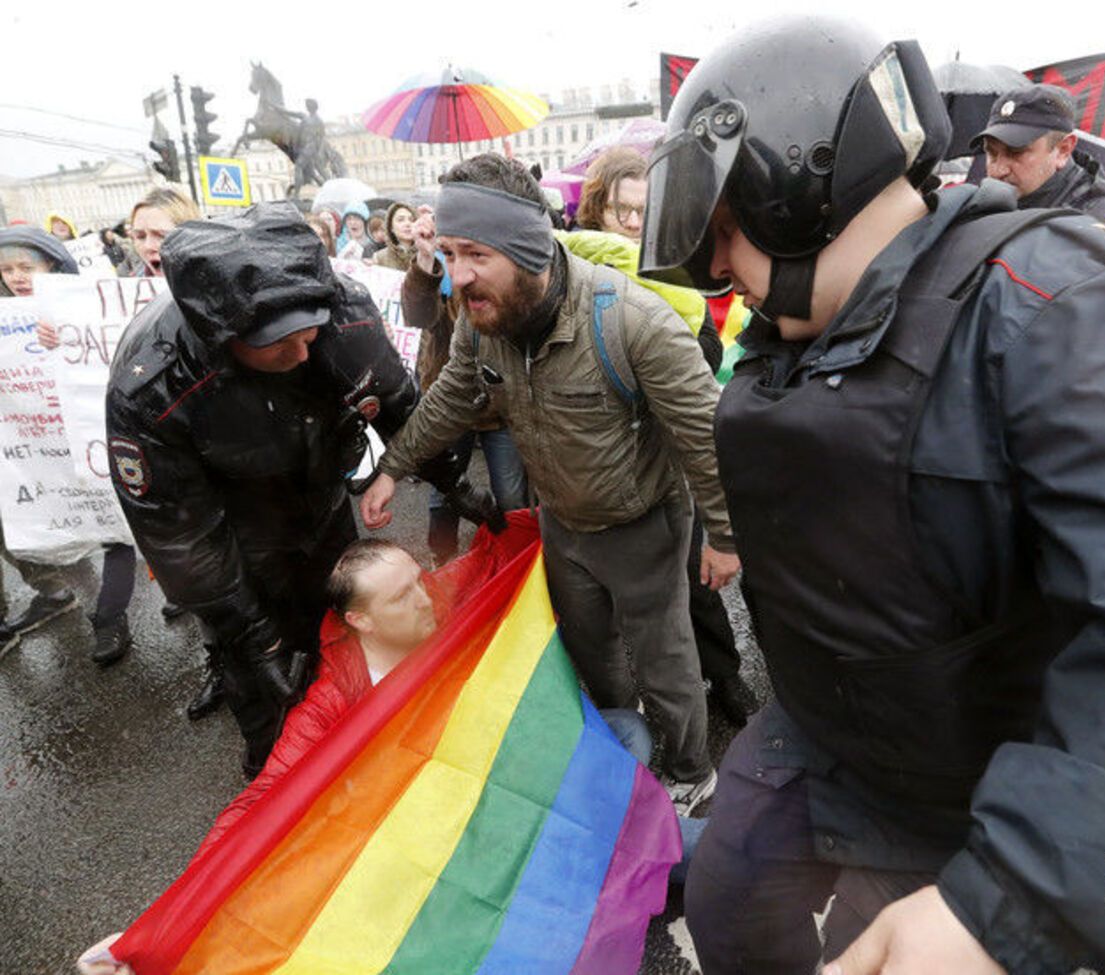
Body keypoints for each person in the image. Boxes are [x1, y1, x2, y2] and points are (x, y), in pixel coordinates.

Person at [639, 17, 1105, 975]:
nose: (715, 269)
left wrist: (1010, 910)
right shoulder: (798, 332)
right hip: (832, 730)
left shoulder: (1072, 313)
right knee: (731, 902)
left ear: (790, 190)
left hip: (991, 773)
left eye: (726, 231)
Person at [75, 527, 705, 975]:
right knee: (646, 820)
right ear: (361, 623)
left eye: (419, 581)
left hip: (508, 780)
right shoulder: (332, 699)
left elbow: (504, 560)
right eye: (400, 597)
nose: (425, 598)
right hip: (445, 834)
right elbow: (263, 800)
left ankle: (600, 856)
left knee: (625, 732)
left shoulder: (447, 607)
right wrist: (163, 923)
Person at [361, 153, 739, 814]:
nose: (459, 276)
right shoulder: (485, 326)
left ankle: (688, 771)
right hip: (564, 526)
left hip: (645, 524)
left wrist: (726, 537)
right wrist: (392, 467)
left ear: (527, 248)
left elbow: (707, 436)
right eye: (449, 253)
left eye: (476, 252)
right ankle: (626, 748)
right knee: (592, 653)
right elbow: (452, 397)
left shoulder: (633, 322)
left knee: (667, 661)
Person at [105, 202, 498, 778]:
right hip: (235, 532)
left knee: (340, 632)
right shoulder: (154, 386)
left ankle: (356, 747)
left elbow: (397, 407)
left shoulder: (347, 316)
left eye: (309, 332)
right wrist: (253, 636)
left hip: (321, 497)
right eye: (277, 343)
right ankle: (274, 772)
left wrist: (455, 483)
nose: (303, 353)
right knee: (264, 677)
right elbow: (180, 536)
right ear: (223, 336)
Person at [576, 147, 756, 725]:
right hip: (607, 459)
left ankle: (724, 676)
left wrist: (661, 341)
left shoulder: (675, 269)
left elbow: (705, 354)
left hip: (670, 453)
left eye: (640, 212)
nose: (631, 224)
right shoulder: (581, 274)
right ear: (596, 209)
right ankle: (645, 693)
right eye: (619, 211)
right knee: (619, 590)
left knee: (694, 578)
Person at [399, 206, 530, 563]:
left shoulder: (496, 265)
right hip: (449, 400)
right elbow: (417, 315)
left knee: (512, 495)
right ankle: (443, 562)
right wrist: (426, 259)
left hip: (498, 403)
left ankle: (513, 563)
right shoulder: (436, 267)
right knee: (445, 493)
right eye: (450, 249)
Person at [0, 227, 86, 658]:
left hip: (61, 438)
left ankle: (89, 604)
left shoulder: (74, 305)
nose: (16, 276)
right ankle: (49, 592)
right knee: (14, 518)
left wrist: (65, 336)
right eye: (7, 269)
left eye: (25, 267)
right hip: (15, 440)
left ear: (50, 265)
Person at [973, 84, 1105, 256]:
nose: (998, 170)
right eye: (991, 153)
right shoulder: (981, 211)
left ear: (1063, 150)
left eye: (1016, 152)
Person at [373, 202, 416, 271]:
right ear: (391, 227)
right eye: (401, 220)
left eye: (412, 220)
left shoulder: (426, 254)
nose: (408, 224)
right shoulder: (379, 257)